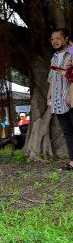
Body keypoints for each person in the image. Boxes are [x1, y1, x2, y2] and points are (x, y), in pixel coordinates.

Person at [46, 28, 73, 171]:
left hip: (71, 98)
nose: (55, 41)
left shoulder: (72, 52)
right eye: (52, 39)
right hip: (58, 100)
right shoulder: (55, 57)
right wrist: (49, 95)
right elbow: (52, 78)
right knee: (67, 132)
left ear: (66, 39)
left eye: (58, 38)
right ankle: (72, 162)